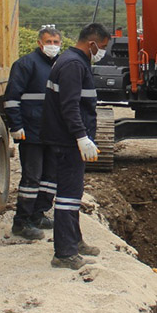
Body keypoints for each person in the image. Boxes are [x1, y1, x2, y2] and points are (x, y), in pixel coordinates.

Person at [40, 23, 110, 270]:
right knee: (68, 197)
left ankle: (75, 241)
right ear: (91, 43)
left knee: (73, 192)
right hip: (67, 141)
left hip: (66, 138)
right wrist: (81, 136)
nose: (102, 52)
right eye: (102, 47)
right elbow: (69, 106)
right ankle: (65, 253)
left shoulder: (73, 61)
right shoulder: (73, 65)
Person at [4, 25, 62, 240]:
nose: (52, 46)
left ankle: (39, 214)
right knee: (32, 177)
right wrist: (16, 126)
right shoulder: (25, 64)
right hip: (31, 131)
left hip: (53, 132)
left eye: (56, 42)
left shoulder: (61, 65)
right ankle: (22, 222)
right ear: (39, 43)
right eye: (49, 42)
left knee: (50, 177)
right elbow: (11, 98)